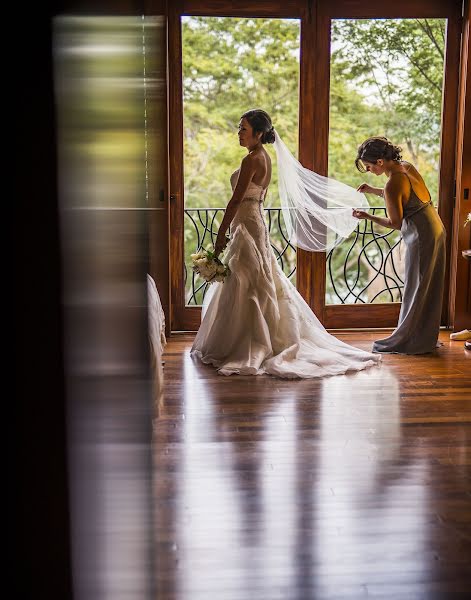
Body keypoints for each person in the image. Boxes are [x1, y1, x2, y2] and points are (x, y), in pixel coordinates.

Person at [190, 109, 381, 378]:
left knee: (247, 278)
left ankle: (251, 342)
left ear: (258, 134)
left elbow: (235, 200)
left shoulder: (251, 160)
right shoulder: (264, 157)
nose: (239, 133)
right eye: (239, 128)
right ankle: (261, 336)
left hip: (247, 223)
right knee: (255, 277)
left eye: (243, 129)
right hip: (255, 220)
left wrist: (221, 235)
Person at [353, 136, 446, 354]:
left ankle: (411, 339)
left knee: (416, 286)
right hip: (435, 226)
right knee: (428, 286)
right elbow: (402, 195)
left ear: (380, 162)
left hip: (422, 234)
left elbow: (394, 223)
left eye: (368, 167)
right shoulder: (406, 168)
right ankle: (424, 336)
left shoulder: (392, 182)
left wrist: (368, 216)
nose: (369, 171)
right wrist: (373, 190)